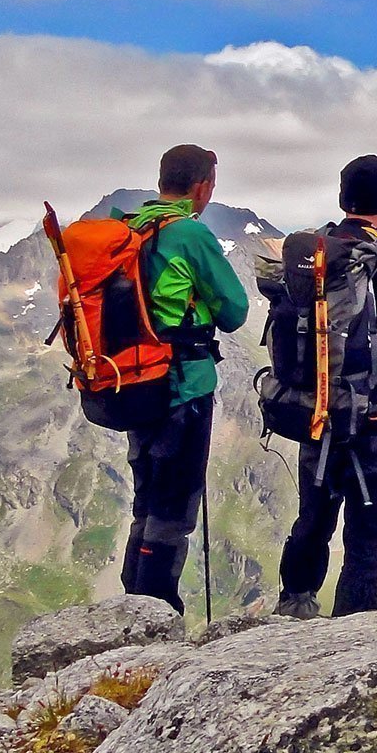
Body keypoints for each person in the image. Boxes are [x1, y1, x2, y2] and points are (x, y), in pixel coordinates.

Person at [274, 154, 377, 618]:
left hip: (318, 414)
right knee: (368, 540)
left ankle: (294, 607)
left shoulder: (312, 254)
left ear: (343, 199)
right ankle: (353, 636)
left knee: (314, 518)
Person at [119, 144, 249, 614]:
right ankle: (156, 608)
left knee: (146, 497)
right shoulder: (190, 235)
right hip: (183, 385)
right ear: (202, 186)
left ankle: (131, 602)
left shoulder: (130, 228)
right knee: (174, 502)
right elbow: (234, 311)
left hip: (132, 380)